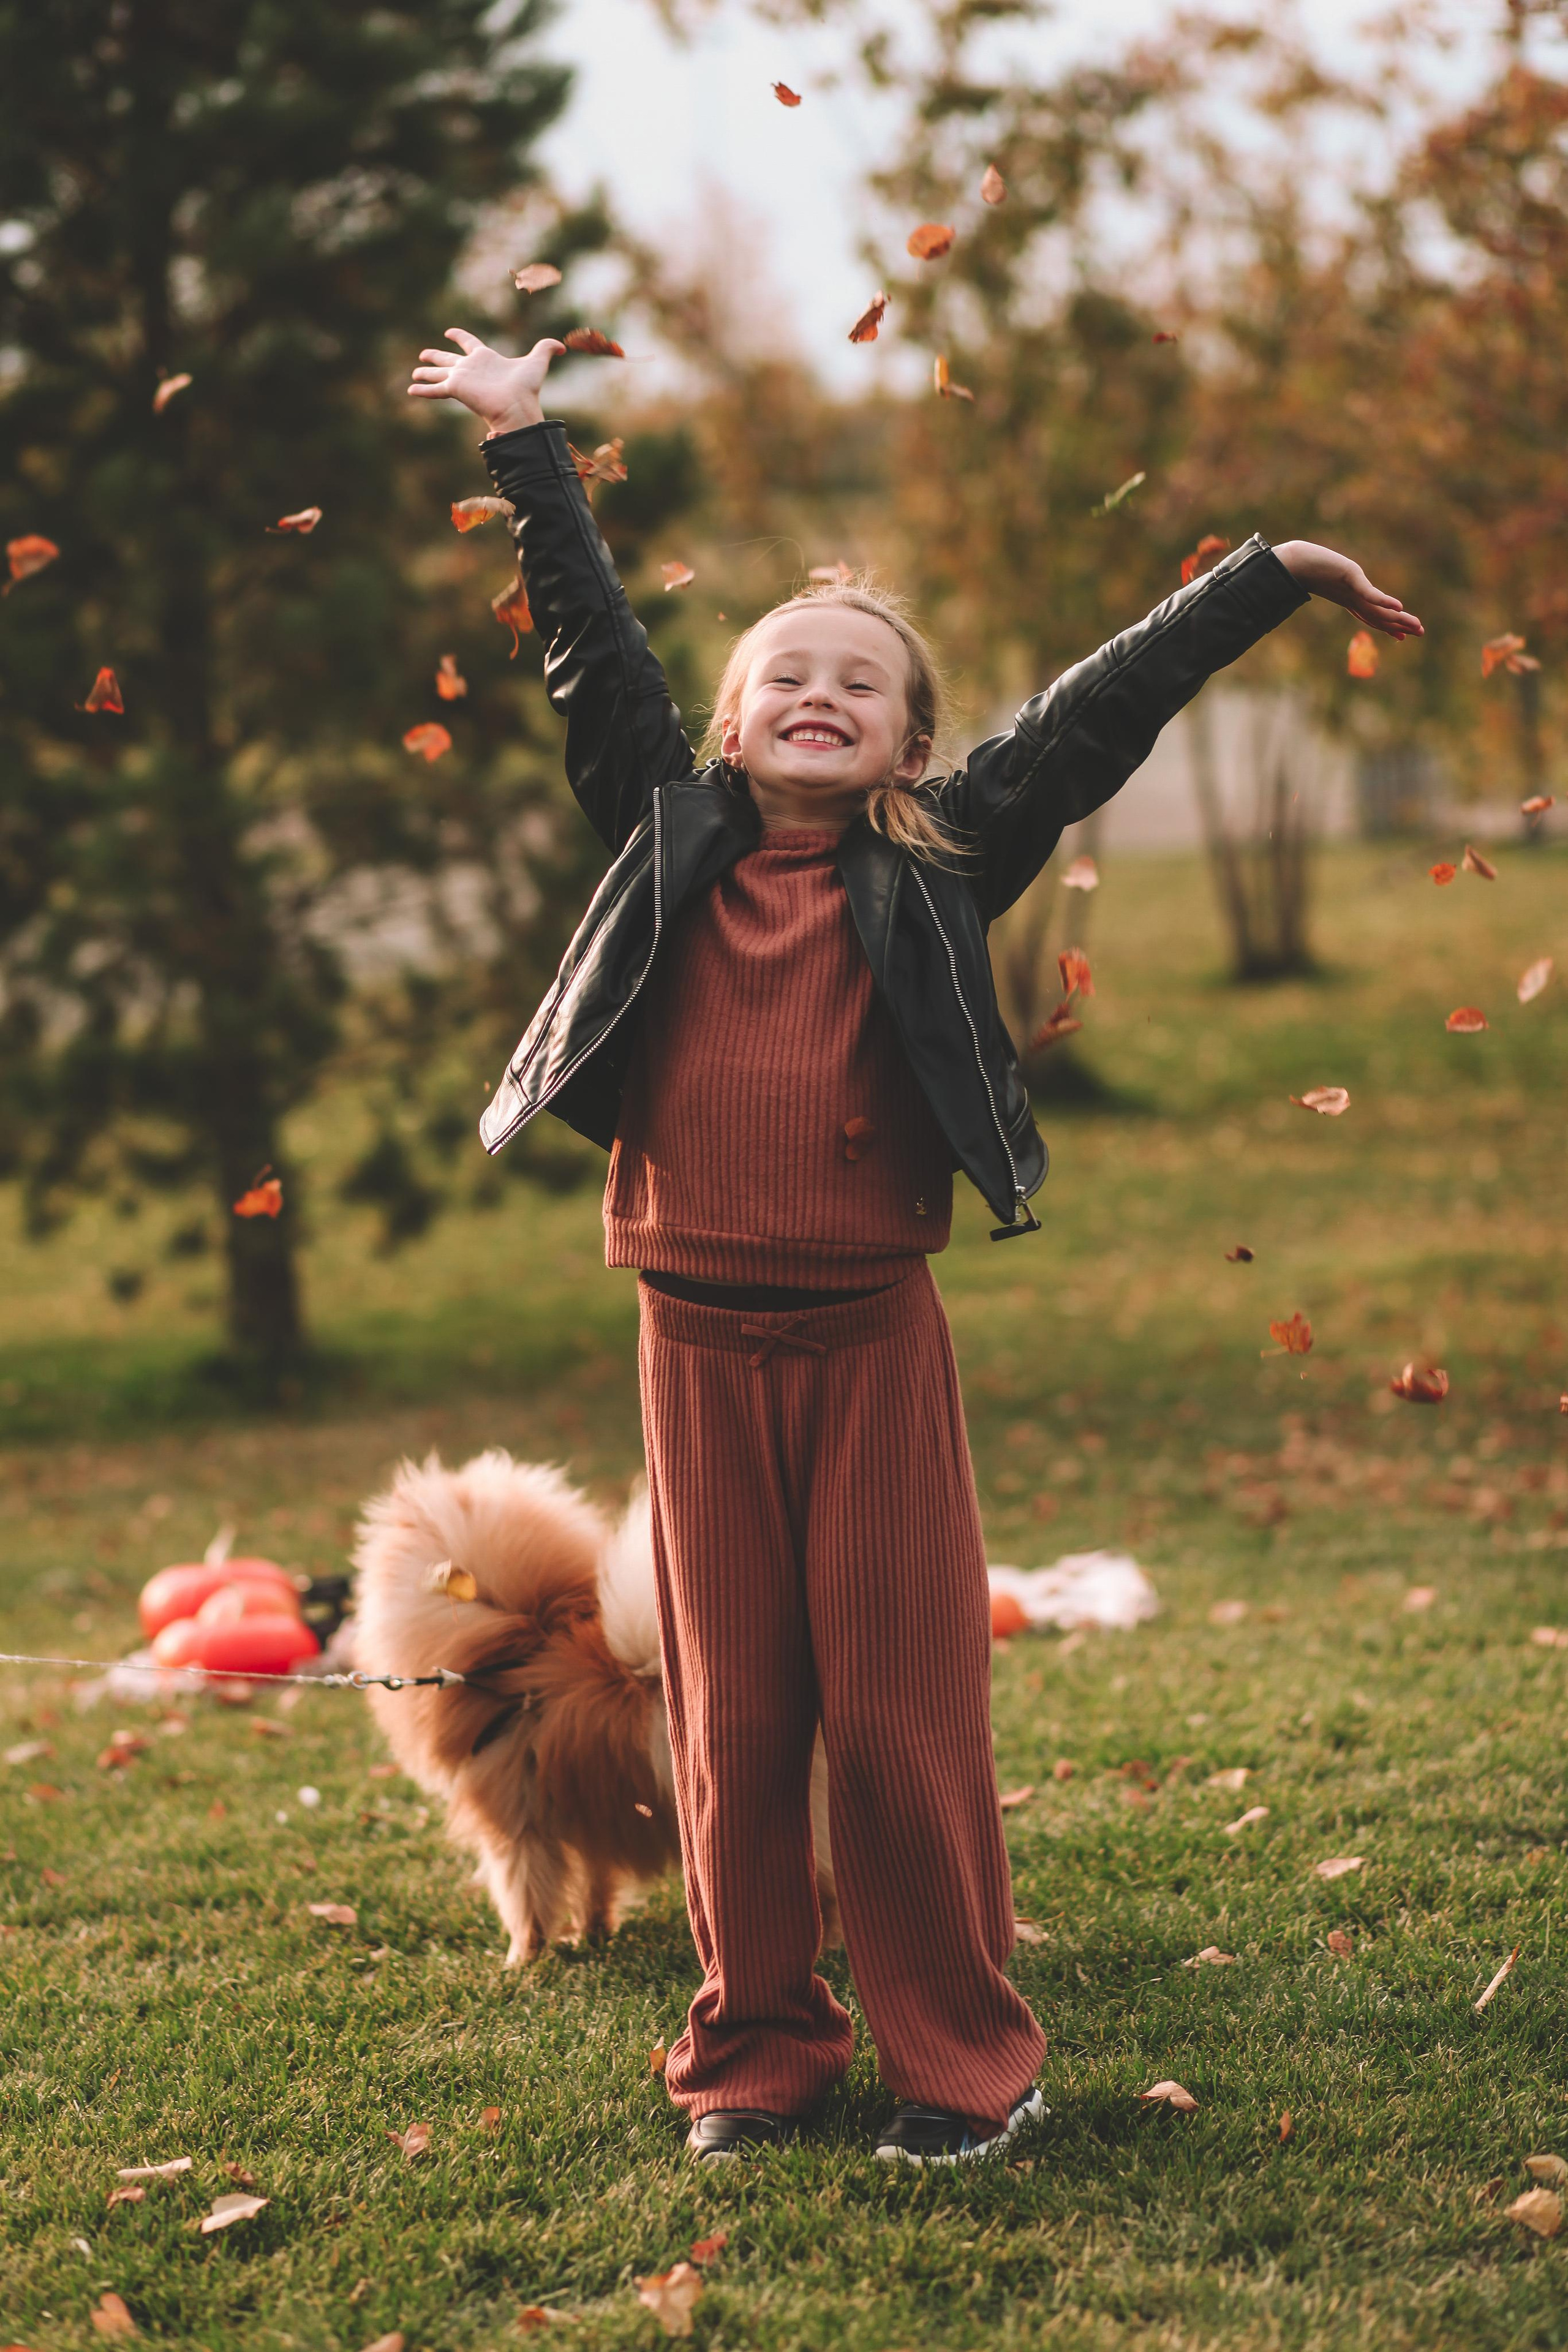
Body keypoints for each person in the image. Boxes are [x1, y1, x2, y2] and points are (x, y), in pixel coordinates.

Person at [407, 328, 1423, 2166]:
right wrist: (526, 439)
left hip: (869, 1343)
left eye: (859, 681)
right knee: (734, 1727)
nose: (820, 692)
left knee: (893, 1722)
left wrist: (1266, 575)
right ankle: (757, 2054)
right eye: (785, 673)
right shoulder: (663, 825)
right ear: (729, 726)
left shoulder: (940, 857)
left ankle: (963, 2066)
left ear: (912, 743)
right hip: (693, 1350)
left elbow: (1097, 714)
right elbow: (593, 645)